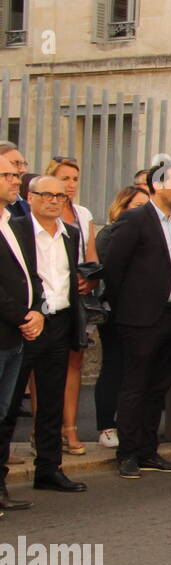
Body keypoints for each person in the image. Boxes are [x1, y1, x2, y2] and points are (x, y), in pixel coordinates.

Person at [102, 165, 171, 479]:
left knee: (158, 387)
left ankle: (147, 450)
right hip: (140, 319)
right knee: (135, 387)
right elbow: (113, 269)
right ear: (157, 185)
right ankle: (127, 453)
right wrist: (126, 308)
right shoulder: (135, 219)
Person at [0, 175, 88, 494]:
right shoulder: (17, 230)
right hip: (25, 325)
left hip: (60, 324)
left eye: (60, 196)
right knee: (8, 405)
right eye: (46, 195)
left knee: (51, 401)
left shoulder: (72, 234)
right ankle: (2, 476)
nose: (53, 201)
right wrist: (27, 314)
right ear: (30, 196)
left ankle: (49, 469)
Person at [42, 158, 96, 457]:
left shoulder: (83, 213)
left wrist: (89, 282)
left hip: (77, 299)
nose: (71, 184)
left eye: (75, 178)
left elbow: (91, 256)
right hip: (47, 300)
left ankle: (70, 427)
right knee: (43, 369)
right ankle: (45, 432)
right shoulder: (37, 213)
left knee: (74, 362)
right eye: (65, 178)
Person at [0, 152, 43, 512]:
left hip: (17, 334)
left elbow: (31, 273)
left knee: (4, 415)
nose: (17, 179)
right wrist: (22, 315)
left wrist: (37, 310)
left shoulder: (13, 221)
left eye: (16, 174)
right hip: (6, 330)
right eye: (9, 174)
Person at [94, 185, 152, 448]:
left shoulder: (151, 235)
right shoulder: (110, 233)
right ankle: (106, 426)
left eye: (145, 206)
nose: (142, 211)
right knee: (114, 366)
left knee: (136, 372)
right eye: (136, 205)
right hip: (116, 311)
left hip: (143, 313)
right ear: (122, 206)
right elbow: (111, 274)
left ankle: (130, 425)